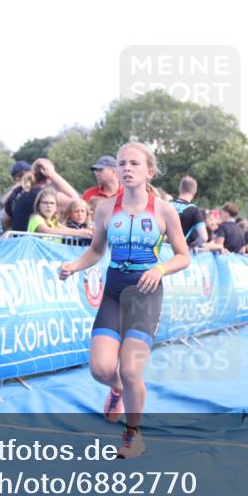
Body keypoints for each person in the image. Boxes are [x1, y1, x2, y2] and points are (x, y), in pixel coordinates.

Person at [58, 142, 190, 459]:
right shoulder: (105, 209)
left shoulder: (164, 210)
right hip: (114, 293)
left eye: (134, 163)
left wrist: (159, 269)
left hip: (145, 296)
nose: (127, 168)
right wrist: (75, 265)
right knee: (101, 370)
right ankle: (118, 389)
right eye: (122, 164)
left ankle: (133, 436)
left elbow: (183, 256)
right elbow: (97, 250)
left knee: (131, 371)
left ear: (150, 172)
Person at [11, 158, 81, 232]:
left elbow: (5, 219)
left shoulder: (19, 193)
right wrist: (53, 174)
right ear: (48, 175)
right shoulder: (44, 195)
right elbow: (76, 202)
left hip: (18, 238)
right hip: (34, 239)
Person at [27, 188, 93, 239]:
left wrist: (88, 231)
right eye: (45, 203)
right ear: (38, 205)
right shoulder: (36, 218)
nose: (49, 206)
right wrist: (79, 233)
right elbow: (47, 231)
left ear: (56, 207)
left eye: (52, 203)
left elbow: (66, 229)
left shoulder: (53, 221)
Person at [169, 176, 208, 249]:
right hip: (178, 250)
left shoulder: (166, 203)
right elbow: (204, 237)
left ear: (180, 188)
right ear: (194, 192)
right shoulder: (194, 210)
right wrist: (193, 245)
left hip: (159, 249)